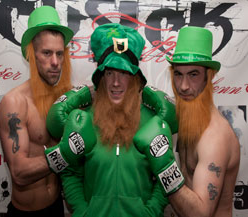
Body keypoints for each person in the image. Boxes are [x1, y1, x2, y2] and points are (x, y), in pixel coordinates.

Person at [44, 23, 179, 217]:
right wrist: (82, 212)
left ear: (134, 78)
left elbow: (165, 173)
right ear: (101, 78)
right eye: (109, 73)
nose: (116, 82)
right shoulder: (84, 119)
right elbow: (71, 172)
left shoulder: (152, 121)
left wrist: (151, 211)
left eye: (123, 73)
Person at [135, 26, 240, 217]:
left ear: (209, 77)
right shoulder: (187, 118)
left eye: (193, 75)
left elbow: (200, 214)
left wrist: (165, 168)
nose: (183, 86)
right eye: (178, 74)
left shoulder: (214, 137)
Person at [0, 6, 74, 216]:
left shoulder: (64, 100)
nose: (55, 62)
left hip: (56, 207)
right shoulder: (15, 103)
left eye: (60, 53)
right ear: (32, 54)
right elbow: (19, 172)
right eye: (47, 53)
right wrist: (66, 153)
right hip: (26, 212)